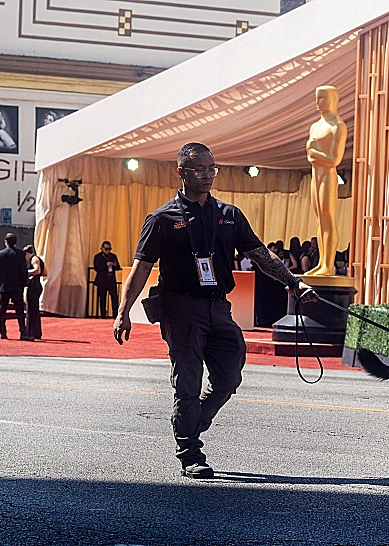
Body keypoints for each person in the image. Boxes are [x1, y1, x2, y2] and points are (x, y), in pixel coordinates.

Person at [113, 142, 317, 479]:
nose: (207, 175)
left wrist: (294, 282)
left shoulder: (229, 215)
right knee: (187, 382)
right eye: (199, 169)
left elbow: (262, 255)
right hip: (181, 308)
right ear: (181, 172)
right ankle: (190, 451)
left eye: (212, 169)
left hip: (219, 307)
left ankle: (195, 421)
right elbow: (141, 267)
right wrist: (123, 311)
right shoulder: (162, 219)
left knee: (230, 374)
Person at [305, 86, 347, 276]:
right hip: (316, 174)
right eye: (317, 98)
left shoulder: (337, 126)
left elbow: (334, 160)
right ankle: (322, 262)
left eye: (322, 98)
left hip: (328, 175)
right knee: (320, 220)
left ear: (333, 98)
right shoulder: (315, 126)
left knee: (328, 219)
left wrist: (314, 153)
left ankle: (328, 264)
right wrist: (314, 155)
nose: (318, 102)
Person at [0, 233, 30, 340]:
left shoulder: (0, 254)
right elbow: (23, 270)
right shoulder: (20, 254)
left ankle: (3, 332)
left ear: (6, 242)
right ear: (15, 242)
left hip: (4, 286)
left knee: (2, 309)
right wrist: (24, 283)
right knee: (19, 310)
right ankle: (23, 332)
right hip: (17, 286)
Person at [24, 245, 47, 340]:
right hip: (37, 285)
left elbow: (37, 270)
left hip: (33, 286)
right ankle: (36, 332)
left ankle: (30, 332)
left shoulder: (34, 259)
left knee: (31, 310)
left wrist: (26, 271)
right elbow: (45, 273)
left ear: (27, 254)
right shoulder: (39, 259)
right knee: (34, 310)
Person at [93, 241, 121, 319]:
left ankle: (115, 315)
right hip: (102, 280)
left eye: (109, 249)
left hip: (111, 280)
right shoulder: (98, 257)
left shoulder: (113, 256)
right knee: (102, 298)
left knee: (114, 298)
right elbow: (96, 267)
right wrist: (106, 265)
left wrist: (114, 265)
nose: (108, 251)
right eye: (106, 249)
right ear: (102, 248)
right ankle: (103, 315)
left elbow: (118, 267)